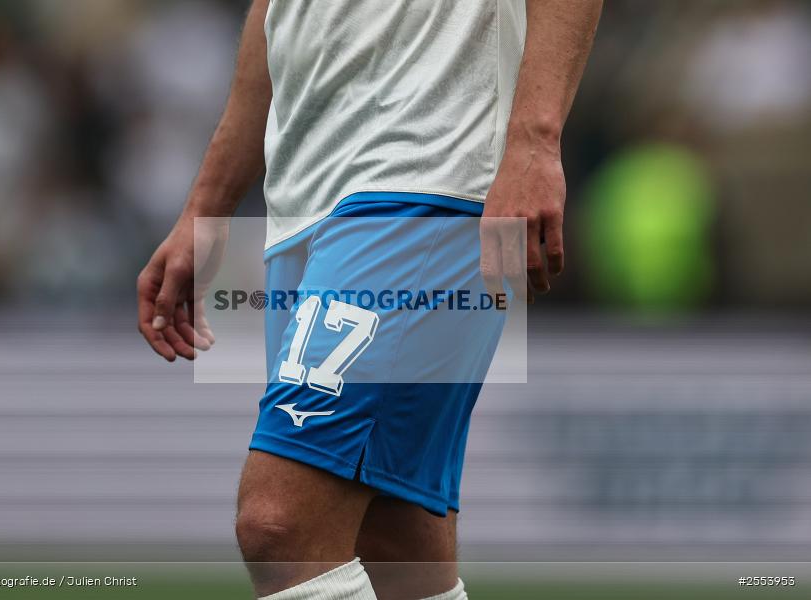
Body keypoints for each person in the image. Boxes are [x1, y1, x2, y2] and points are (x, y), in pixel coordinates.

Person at [137, 1, 602, 598]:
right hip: (304, 198)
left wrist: (534, 141)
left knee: (280, 526)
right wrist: (206, 207)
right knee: (394, 548)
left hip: (430, 170)